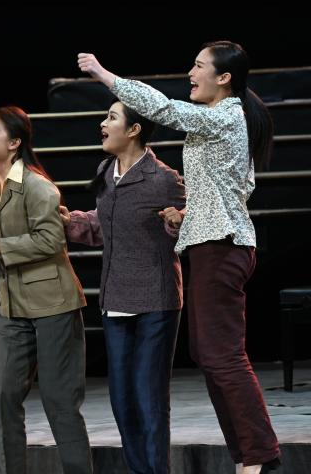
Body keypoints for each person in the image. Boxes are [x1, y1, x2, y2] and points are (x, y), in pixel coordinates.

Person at [78, 42, 281, 474]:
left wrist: (104, 75)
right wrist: (189, 214)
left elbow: (163, 109)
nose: (191, 72)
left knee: (223, 356)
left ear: (223, 78)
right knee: (209, 354)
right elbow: (235, 186)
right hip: (213, 242)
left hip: (222, 246)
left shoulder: (225, 115)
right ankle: (247, 455)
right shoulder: (224, 120)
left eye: (199, 66)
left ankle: (260, 456)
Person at [58, 101, 186, 474]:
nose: (103, 123)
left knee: (149, 397)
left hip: (155, 300)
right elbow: (103, 222)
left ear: (133, 129)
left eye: (112, 117)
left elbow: (190, 222)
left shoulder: (163, 178)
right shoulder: (106, 170)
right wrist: (70, 221)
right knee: (122, 399)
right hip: (115, 297)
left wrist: (176, 221)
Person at [0, 106, 91, 474]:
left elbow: (51, 239)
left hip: (54, 303)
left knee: (60, 400)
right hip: (13, 307)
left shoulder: (38, 186)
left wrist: (0, 247)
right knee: (4, 398)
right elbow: (1, 242)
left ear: (14, 142)